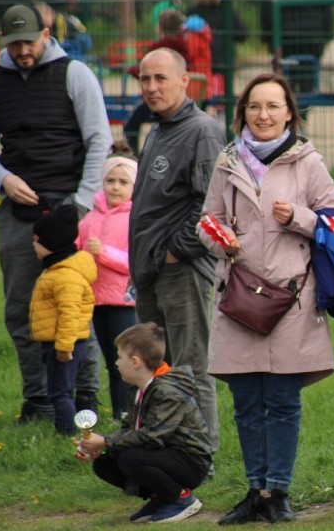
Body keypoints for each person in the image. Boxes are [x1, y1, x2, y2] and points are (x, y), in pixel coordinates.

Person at [197, 72, 334, 525]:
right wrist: (223, 240)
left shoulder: (308, 162)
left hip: (291, 302)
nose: (263, 115)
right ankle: (254, 492)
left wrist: (299, 216)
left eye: (273, 106)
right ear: (243, 112)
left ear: (288, 113)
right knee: (246, 404)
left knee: (281, 402)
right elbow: (207, 222)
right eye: (255, 106)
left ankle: (276, 492)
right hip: (238, 299)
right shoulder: (227, 162)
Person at [0, 3, 111, 423]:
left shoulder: (76, 74)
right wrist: (1, 179)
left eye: (28, 42)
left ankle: (84, 397)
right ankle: (38, 399)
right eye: (13, 44)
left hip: (68, 206)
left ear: (46, 33)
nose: (22, 51)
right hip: (18, 210)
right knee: (22, 308)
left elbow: (99, 139)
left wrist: (83, 202)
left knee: (75, 304)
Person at [128, 48, 227, 456]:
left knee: (189, 366)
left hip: (181, 270)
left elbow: (211, 204)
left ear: (186, 81)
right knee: (157, 367)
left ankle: (201, 454)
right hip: (150, 271)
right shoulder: (158, 128)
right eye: (145, 79)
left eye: (160, 78)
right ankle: (168, 445)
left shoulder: (202, 130)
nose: (151, 87)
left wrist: (174, 252)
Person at [75, 322, 212, 524]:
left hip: (190, 462)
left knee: (130, 458)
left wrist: (105, 442)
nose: (116, 363)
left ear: (136, 362)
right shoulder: (137, 389)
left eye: (120, 357)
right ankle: (160, 497)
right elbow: (129, 430)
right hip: (163, 456)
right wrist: (99, 449)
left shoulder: (166, 391)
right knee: (104, 463)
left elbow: (153, 436)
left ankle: (180, 498)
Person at [77, 145, 138, 423]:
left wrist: (104, 253)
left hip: (125, 301)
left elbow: (134, 262)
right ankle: (118, 413)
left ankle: (131, 413)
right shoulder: (91, 216)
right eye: (110, 181)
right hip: (96, 300)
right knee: (112, 363)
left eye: (123, 182)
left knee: (127, 360)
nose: (115, 187)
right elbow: (78, 252)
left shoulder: (135, 218)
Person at [30, 205, 96, 436]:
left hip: (64, 345)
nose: (33, 244)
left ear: (51, 243)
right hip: (58, 342)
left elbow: (70, 313)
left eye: (37, 239)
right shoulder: (57, 270)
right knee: (60, 390)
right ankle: (67, 430)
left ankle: (67, 434)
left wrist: (64, 347)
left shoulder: (65, 275)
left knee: (61, 392)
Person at [123, 9, 191, 153]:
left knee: (131, 125)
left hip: (159, 99)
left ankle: (133, 156)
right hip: (184, 93)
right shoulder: (185, 45)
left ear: (159, 28)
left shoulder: (158, 46)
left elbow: (146, 70)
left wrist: (132, 71)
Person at [261, 0, 334, 93]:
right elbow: (328, 7)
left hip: (284, 35)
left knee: (285, 77)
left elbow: (266, 8)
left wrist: (267, 37)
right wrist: (328, 34)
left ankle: (289, 106)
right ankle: (303, 109)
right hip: (312, 34)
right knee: (307, 76)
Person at [186, 0, 248, 92]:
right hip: (224, 60)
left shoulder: (193, 11)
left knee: (202, 91)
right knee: (222, 93)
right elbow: (242, 34)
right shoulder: (228, 11)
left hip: (199, 61)